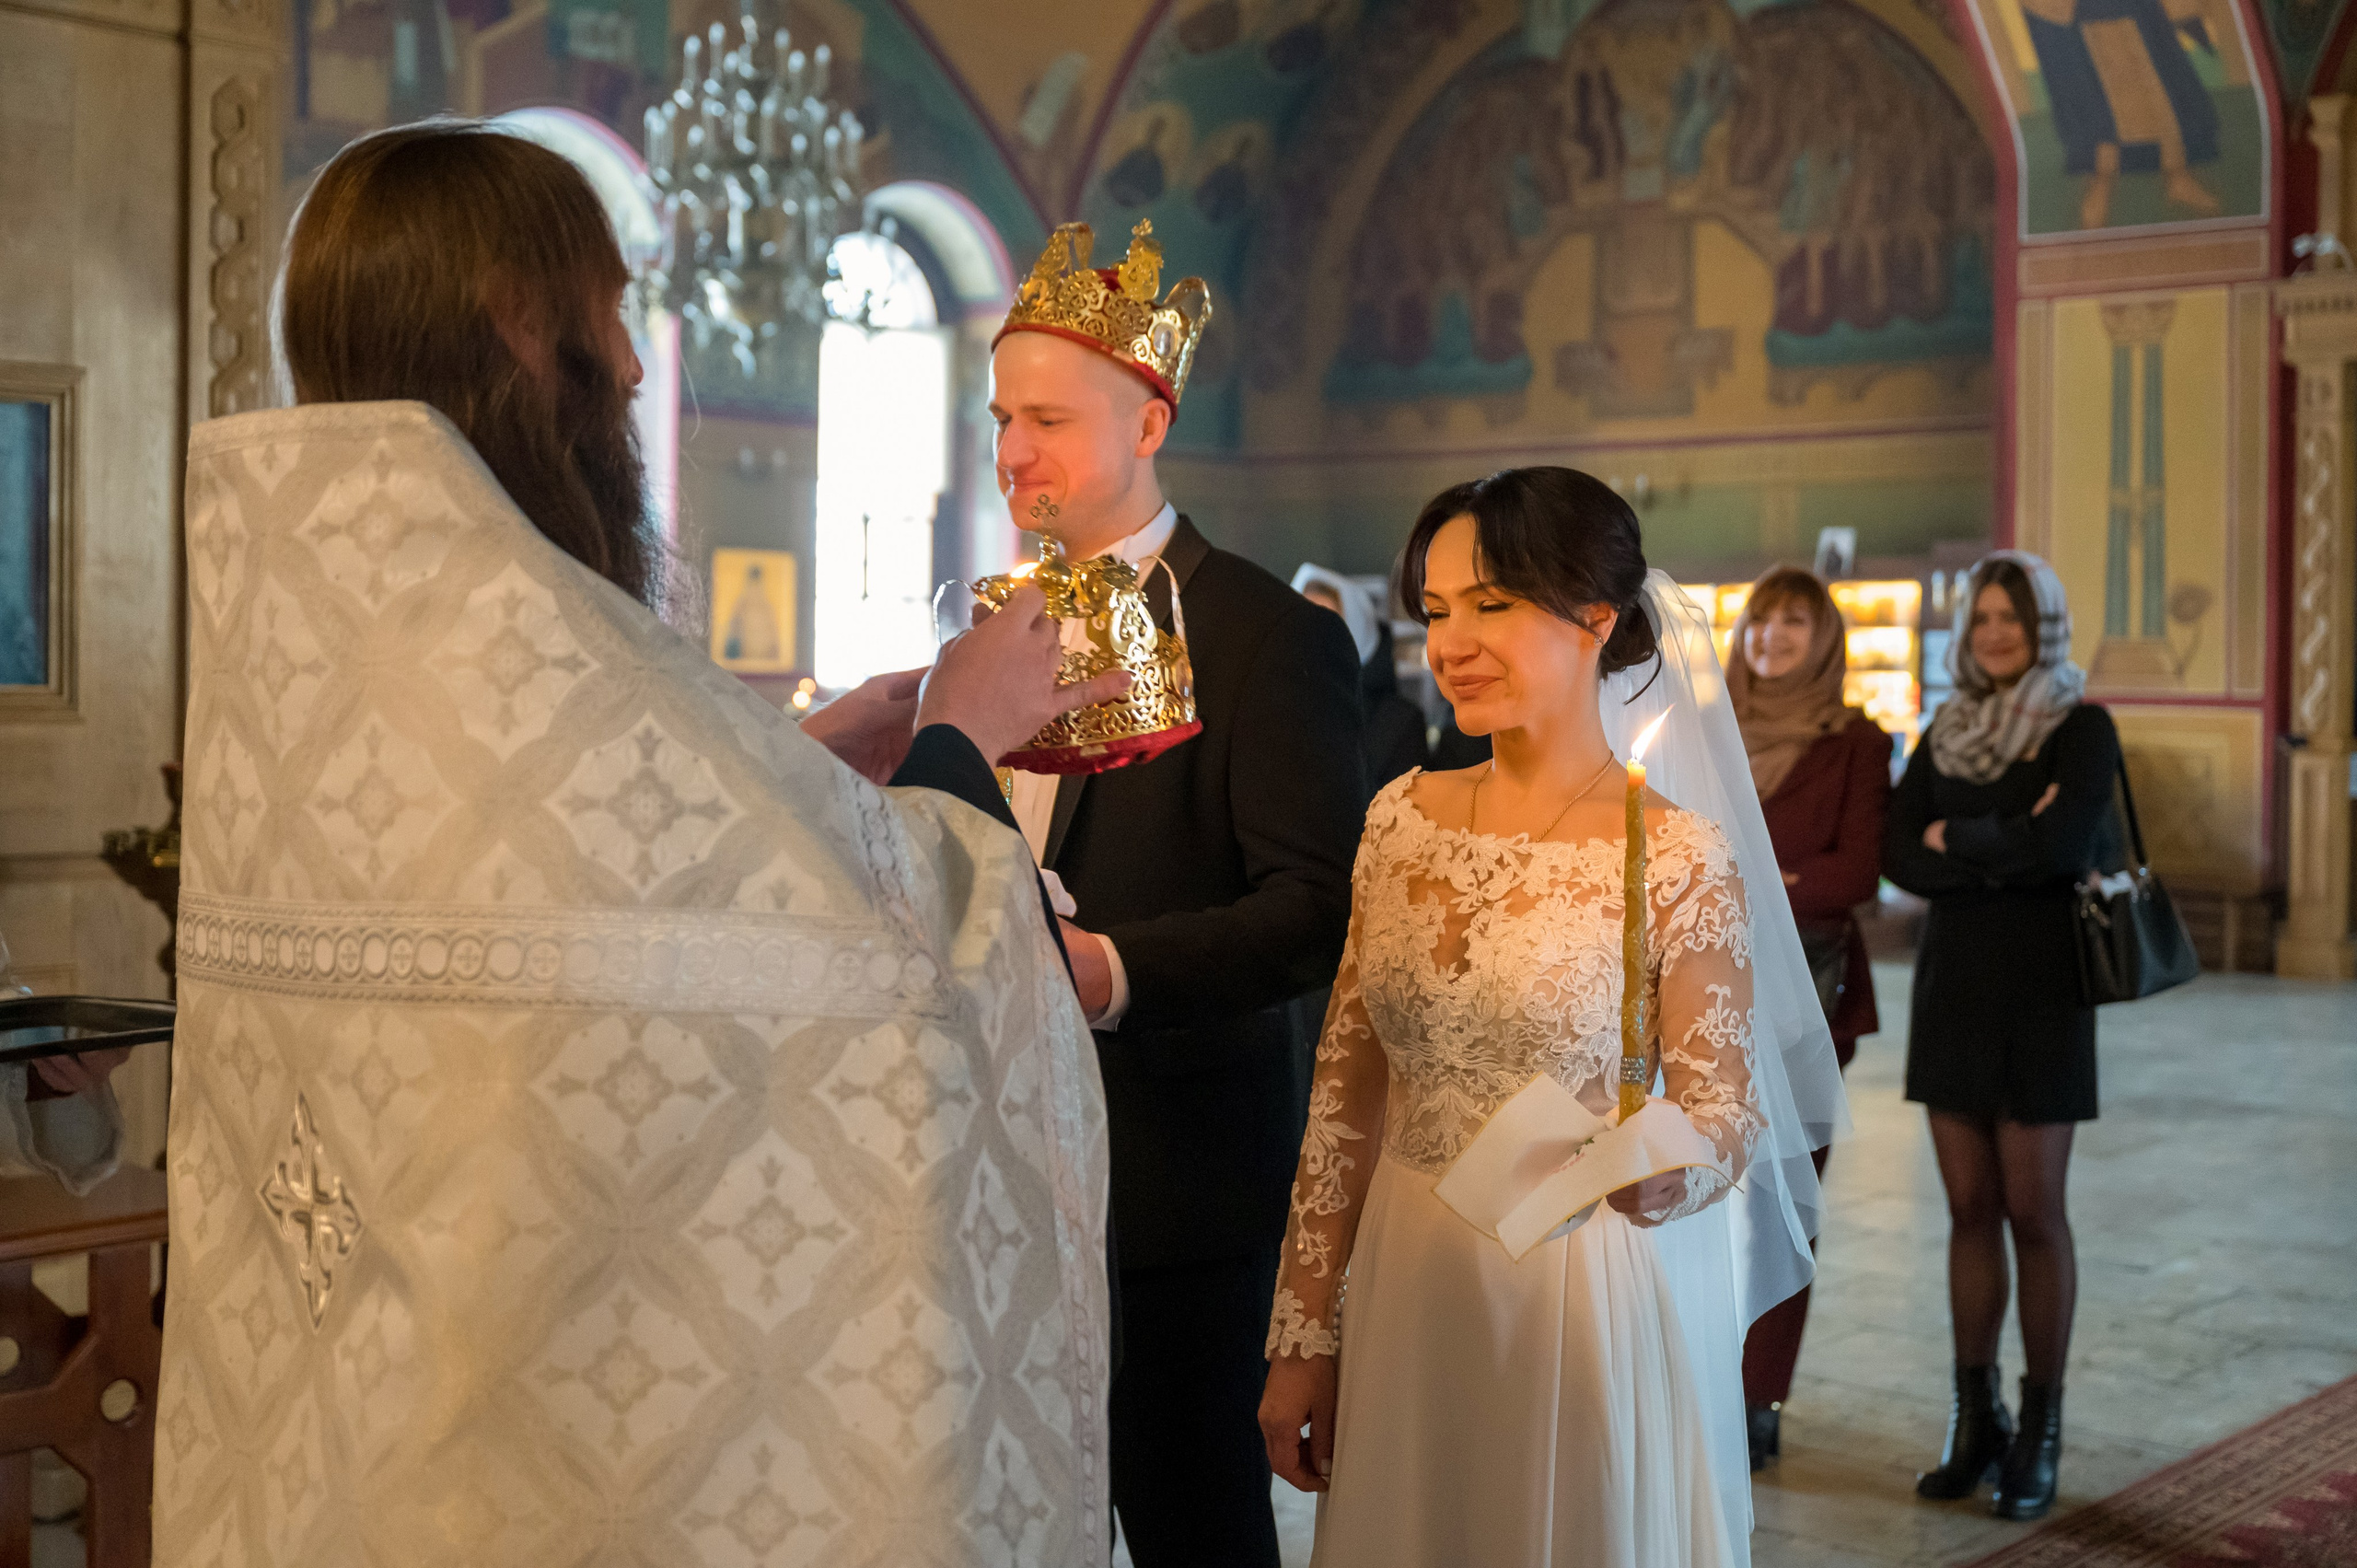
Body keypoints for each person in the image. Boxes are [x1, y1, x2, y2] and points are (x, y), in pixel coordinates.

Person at [155, 122, 1126, 1567]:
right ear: (516, 315)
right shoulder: (517, 638)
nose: (628, 361)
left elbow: (585, 895)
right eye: (611, 311)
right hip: (521, 1438)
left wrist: (792, 770)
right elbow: (898, 961)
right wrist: (958, 741)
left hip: (361, 1415)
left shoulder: (310, 629)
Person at [1257, 468, 1845, 1567]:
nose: (1452, 643)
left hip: (1581, 1286)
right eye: (1437, 611)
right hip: (1407, 1277)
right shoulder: (1399, 819)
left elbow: (1724, 1111)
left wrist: (1669, 1169)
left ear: (1595, 617)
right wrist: (1303, 1332)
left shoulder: (1674, 851)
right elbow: (1344, 1099)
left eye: (1491, 604)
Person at [990, 221, 1364, 1565]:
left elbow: (1312, 907)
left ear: (1148, 420)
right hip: (996, 1166)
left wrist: (1111, 968)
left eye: (1046, 419)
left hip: (1172, 1176)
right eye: (1000, 419)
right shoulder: (989, 630)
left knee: (1195, 1527)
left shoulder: (1269, 636)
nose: (1013, 451)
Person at [1885, 551, 2119, 1523]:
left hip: (2042, 989)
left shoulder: (2081, 726)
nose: (1993, 633)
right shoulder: (1944, 731)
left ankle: (2040, 1429)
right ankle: (1974, 1417)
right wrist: (2007, 836)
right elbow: (1897, 852)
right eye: (1981, 617)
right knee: (1968, 1206)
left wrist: (1959, 839)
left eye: (2010, 617)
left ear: (2043, 626)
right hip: (1953, 988)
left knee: (2033, 1209)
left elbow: (2064, 848)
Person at [1724, 566, 1892, 1468]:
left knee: (1781, 1202)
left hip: (1807, 1002)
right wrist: (1783, 877)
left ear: (1823, 638)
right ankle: (1702, 1372)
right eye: (1761, 621)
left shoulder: (1855, 741)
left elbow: (1854, 872)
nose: (1772, 637)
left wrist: (1749, 879)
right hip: (1705, 990)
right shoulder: (1709, 728)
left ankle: (1759, 1393)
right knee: (1695, 1196)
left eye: (1793, 622)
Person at [1292, 563, 1426, 790]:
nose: (1314, 639)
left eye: (1328, 625)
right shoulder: (1282, 714)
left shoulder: (1398, 724)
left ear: (1357, 633)